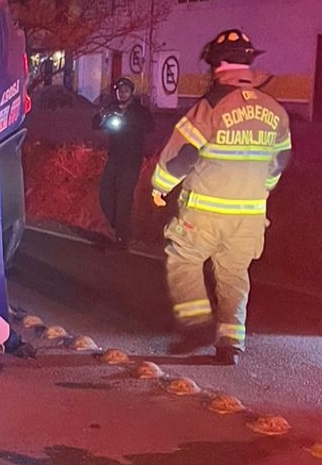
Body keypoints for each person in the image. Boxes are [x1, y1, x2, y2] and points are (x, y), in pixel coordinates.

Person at [151, 29, 291, 365]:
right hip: (250, 217)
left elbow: (182, 155)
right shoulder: (275, 110)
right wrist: (262, 188)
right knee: (234, 275)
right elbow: (280, 159)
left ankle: (197, 325)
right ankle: (230, 343)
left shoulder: (211, 106)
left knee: (183, 260)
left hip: (205, 212)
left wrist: (160, 186)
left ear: (218, 64)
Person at [92, 77, 154, 248]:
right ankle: (116, 224)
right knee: (105, 193)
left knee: (124, 196)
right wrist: (102, 115)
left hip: (131, 159)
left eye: (126, 91)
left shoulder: (139, 111)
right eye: (120, 91)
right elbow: (96, 124)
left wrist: (130, 121)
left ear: (131, 93)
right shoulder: (111, 108)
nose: (122, 94)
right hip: (114, 158)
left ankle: (122, 237)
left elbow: (150, 126)